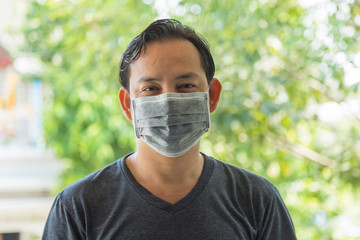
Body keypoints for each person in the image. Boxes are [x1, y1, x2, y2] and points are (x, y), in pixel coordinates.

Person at [42, 18, 297, 240]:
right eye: (150, 88)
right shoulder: (78, 207)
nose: (167, 100)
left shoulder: (257, 200)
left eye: (186, 85)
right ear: (127, 105)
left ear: (212, 96)